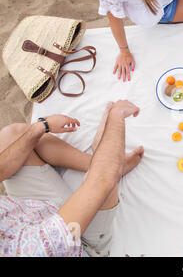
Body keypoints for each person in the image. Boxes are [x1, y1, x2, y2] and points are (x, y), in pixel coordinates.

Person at [0, 100, 144, 256]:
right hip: (79, 241)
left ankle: (94, 161)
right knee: (103, 177)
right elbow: (101, 181)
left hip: (29, 213)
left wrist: (42, 126)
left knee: (11, 137)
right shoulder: (36, 249)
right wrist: (117, 115)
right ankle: (102, 158)